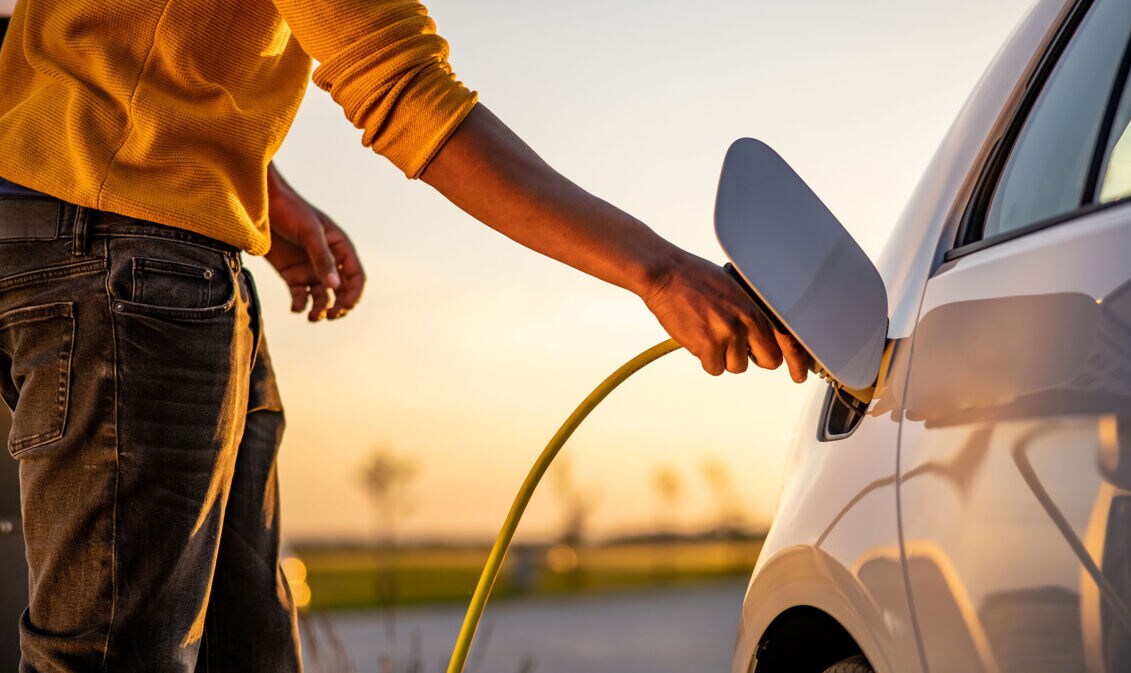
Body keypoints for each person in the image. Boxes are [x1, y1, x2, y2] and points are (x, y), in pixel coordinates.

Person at [0, 0, 807, 670]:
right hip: (127, 264)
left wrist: (255, 183)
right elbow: (403, 87)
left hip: (120, 241)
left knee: (245, 650)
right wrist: (659, 271)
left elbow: (112, 41)